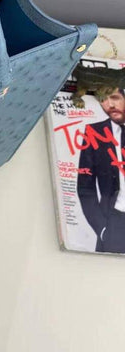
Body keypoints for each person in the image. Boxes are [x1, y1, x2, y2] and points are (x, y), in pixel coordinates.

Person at [77, 88, 125, 253]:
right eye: (103, 99)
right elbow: (85, 187)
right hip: (114, 224)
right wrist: (102, 229)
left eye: (115, 97)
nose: (110, 104)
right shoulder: (93, 132)